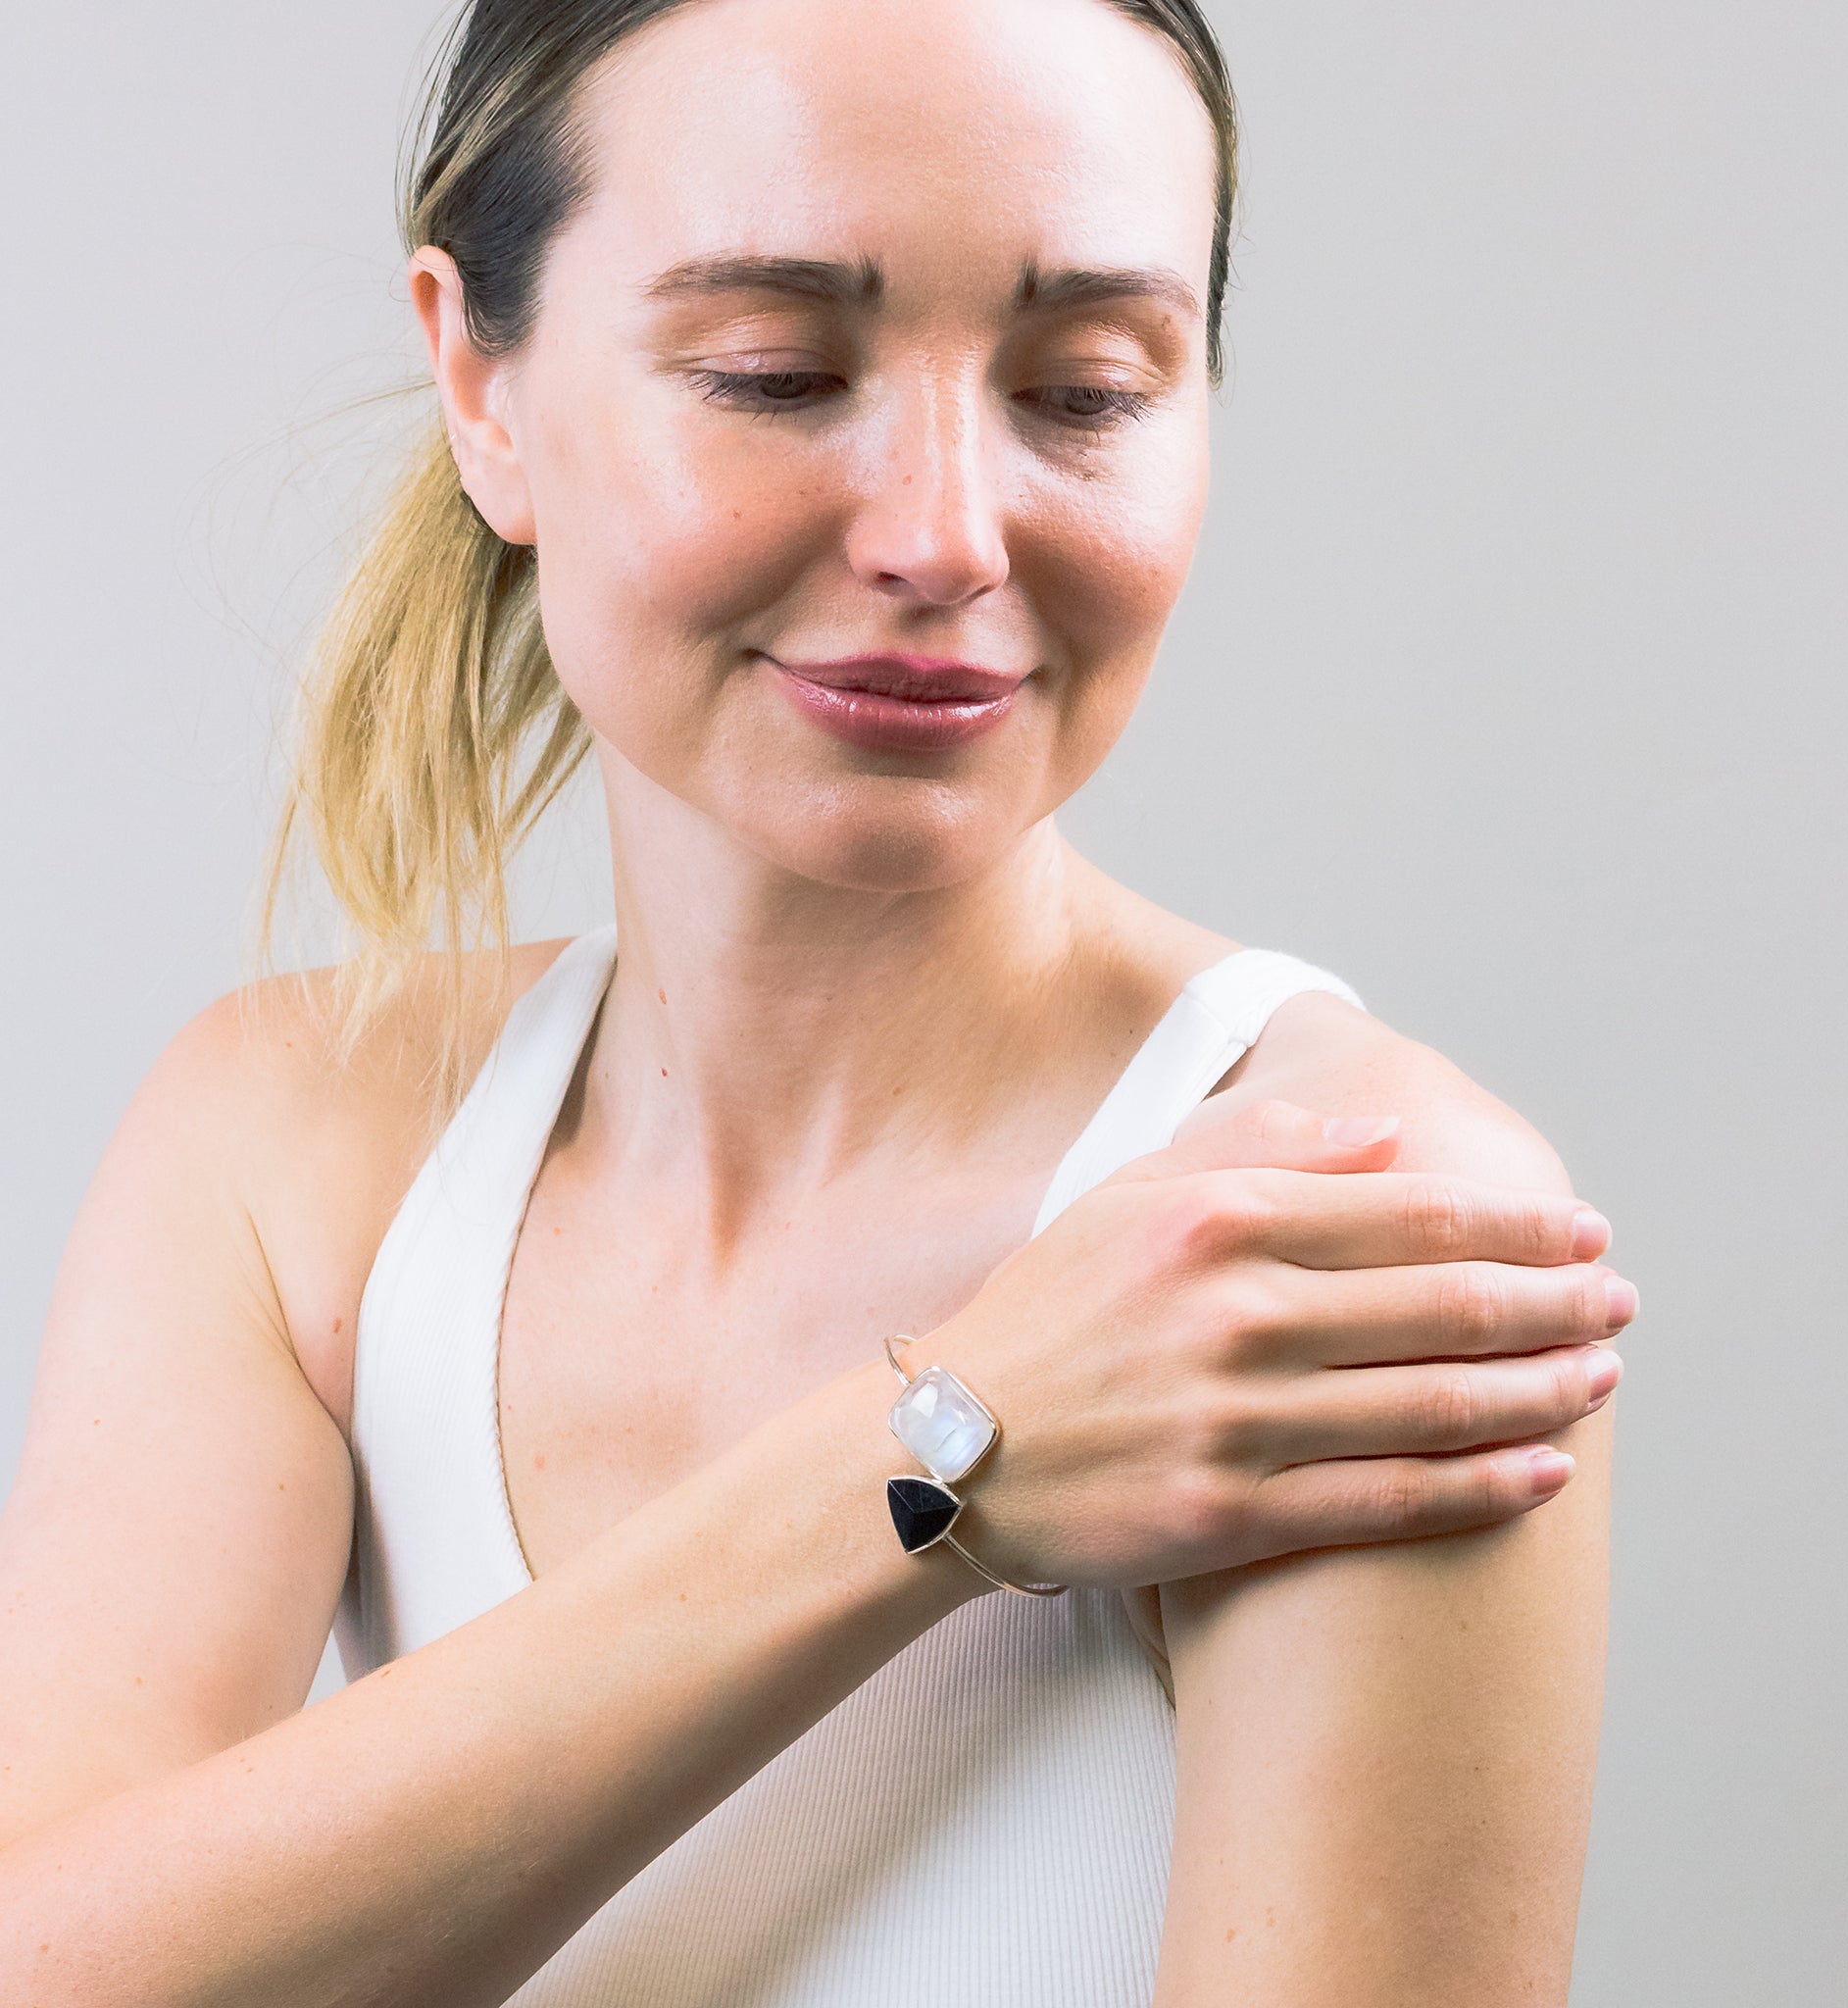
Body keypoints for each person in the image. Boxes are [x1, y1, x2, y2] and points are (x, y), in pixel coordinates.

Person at [0, 0, 1632, 2000]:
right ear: (480, 382)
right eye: (777, 371)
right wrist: (946, 1456)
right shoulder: (296, 1142)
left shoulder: (1341, 1230)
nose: (945, 534)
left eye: (1087, 389)